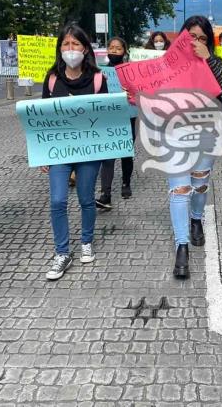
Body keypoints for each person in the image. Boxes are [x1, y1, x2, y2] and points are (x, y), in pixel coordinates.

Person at [41, 22, 108, 281]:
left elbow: (104, 116)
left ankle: (87, 241)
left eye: (75, 44)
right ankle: (61, 252)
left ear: (85, 48)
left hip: (89, 152)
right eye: (66, 44)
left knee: (85, 198)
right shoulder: (52, 79)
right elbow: (42, 119)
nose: (70, 49)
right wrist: (43, 153)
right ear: (60, 49)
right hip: (59, 151)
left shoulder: (97, 78)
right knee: (57, 200)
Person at [168, 15, 222, 279]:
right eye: (191, 36)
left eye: (202, 38)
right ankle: (181, 245)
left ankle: (197, 218)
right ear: (182, 37)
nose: (195, 42)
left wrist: (207, 58)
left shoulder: (214, 62)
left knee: (199, 184)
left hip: (207, 132)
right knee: (179, 188)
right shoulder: (168, 64)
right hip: (174, 134)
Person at [96, 36, 136, 209]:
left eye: (118, 48)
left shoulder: (131, 70)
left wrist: (130, 91)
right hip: (108, 118)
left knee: (126, 151)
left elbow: (140, 92)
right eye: (111, 47)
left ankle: (126, 182)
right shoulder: (101, 72)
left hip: (127, 115)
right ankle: (106, 193)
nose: (114, 51)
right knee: (108, 155)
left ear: (124, 51)